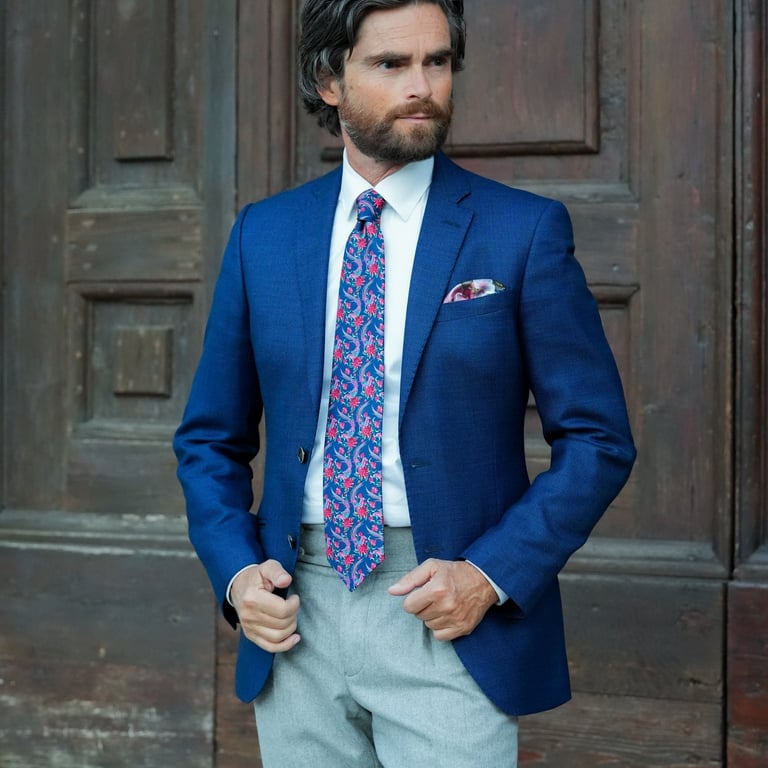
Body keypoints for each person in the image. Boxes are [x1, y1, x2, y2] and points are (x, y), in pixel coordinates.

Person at [173, 0, 636, 765]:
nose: (422, 86)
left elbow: (598, 438)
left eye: (437, 62)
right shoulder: (264, 234)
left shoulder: (521, 231)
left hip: (447, 613)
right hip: (296, 613)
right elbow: (209, 439)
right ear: (329, 80)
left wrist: (489, 574)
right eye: (391, 64)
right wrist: (236, 574)